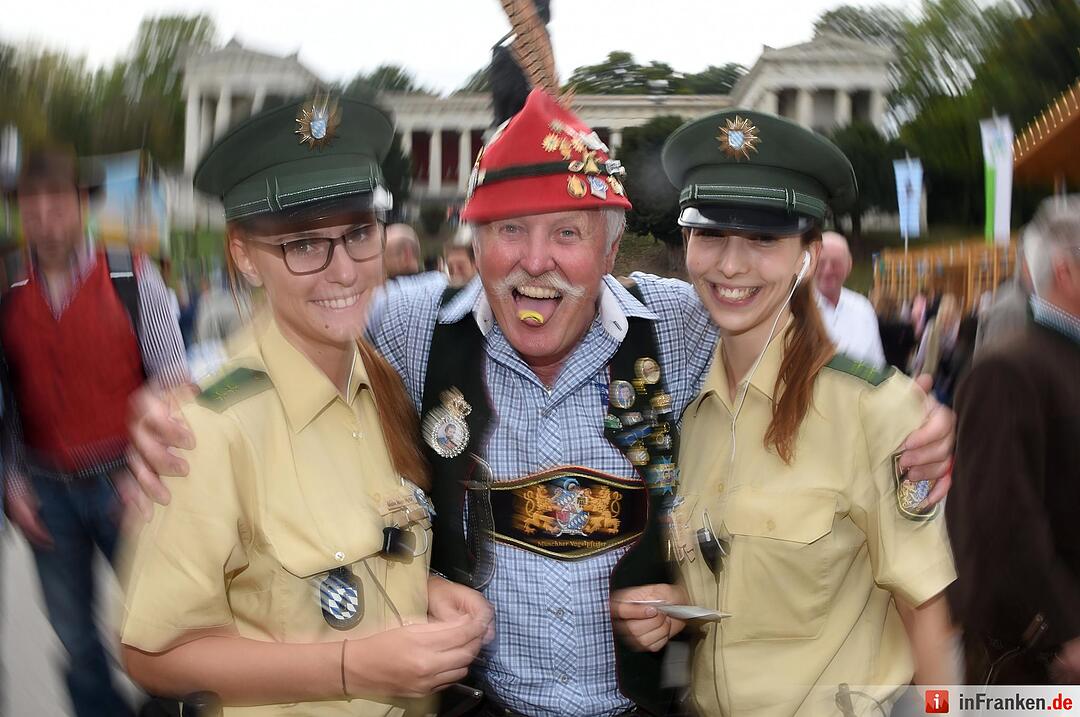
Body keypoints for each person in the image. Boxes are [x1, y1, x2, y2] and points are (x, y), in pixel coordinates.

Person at [125, 90, 956, 717]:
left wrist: (916, 413)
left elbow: (779, 332)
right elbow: (304, 319)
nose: (535, 264)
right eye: (508, 232)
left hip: (641, 703)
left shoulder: (677, 324)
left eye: (567, 232)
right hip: (478, 703)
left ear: (610, 241)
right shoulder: (415, 327)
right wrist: (169, 401)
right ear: (471, 245)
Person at [118, 97, 490, 716]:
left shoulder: (379, 382)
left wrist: (426, 592)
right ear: (245, 257)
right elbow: (151, 655)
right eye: (303, 244)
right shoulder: (210, 429)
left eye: (357, 234)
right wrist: (355, 666)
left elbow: (345, 560)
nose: (343, 270)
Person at [612, 111, 957, 716]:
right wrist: (664, 609)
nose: (731, 265)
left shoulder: (874, 410)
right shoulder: (689, 413)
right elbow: (728, 585)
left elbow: (927, 615)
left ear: (808, 253)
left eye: (764, 239)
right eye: (710, 234)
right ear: (686, 242)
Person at [0, 149, 188, 717]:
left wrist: (146, 472)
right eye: (31, 205)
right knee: (76, 643)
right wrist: (10, 480)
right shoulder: (6, 285)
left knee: (161, 632)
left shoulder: (131, 273)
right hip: (45, 488)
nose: (45, 216)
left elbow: (175, 385)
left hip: (124, 483)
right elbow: (4, 400)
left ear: (82, 205)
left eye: (58, 201)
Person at [947, 196, 1080, 685]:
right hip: (1033, 658)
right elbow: (1001, 521)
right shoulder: (1009, 368)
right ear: (1067, 271)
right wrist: (1060, 628)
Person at [814, 231, 886, 368]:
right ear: (811, 265)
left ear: (849, 265)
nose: (828, 270)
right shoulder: (794, 310)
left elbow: (877, 366)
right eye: (821, 263)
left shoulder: (863, 308)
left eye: (836, 263)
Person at [875, 291, 917, 370]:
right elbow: (912, 347)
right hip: (900, 368)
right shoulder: (907, 327)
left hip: (881, 368)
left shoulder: (875, 324)